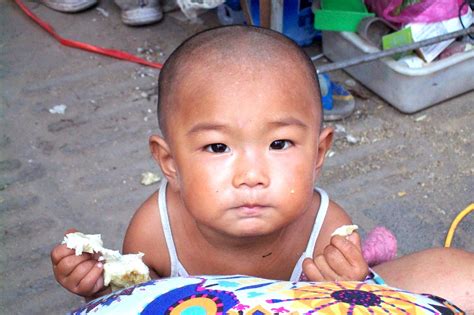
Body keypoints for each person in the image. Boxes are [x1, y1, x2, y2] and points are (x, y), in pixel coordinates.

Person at [51, 25, 474, 311]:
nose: (251, 175)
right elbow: (142, 297)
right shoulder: (154, 230)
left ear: (318, 152)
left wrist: (351, 282)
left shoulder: (327, 228)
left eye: (279, 143)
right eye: (217, 147)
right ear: (170, 162)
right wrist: (101, 285)